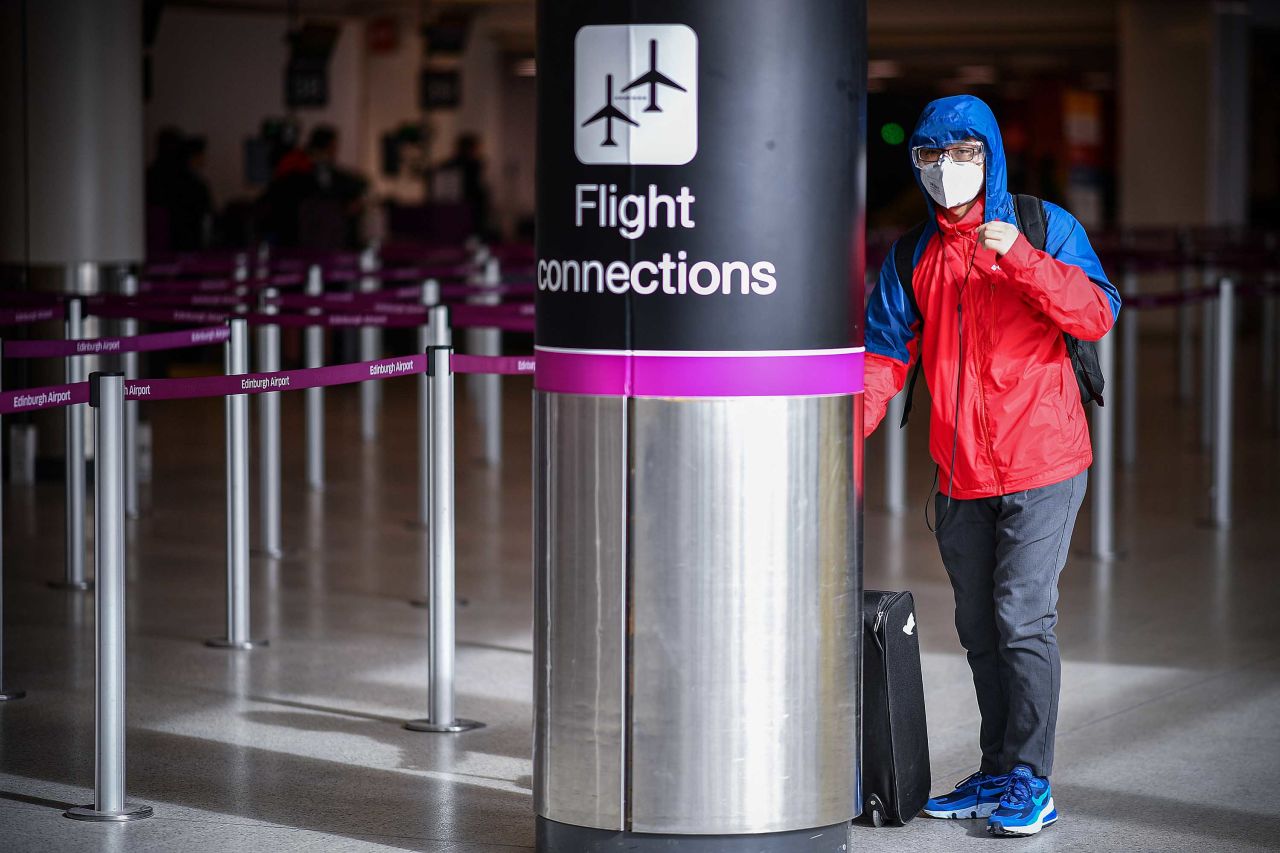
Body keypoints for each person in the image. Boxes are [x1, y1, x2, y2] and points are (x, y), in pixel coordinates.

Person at [862, 94, 1120, 837]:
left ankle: (1032, 779)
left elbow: (1097, 311)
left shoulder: (1042, 226)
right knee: (978, 626)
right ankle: (998, 767)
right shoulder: (914, 255)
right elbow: (882, 357)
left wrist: (1023, 261)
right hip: (961, 473)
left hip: (1043, 460)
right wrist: (839, 443)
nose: (948, 171)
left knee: (1021, 615)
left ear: (991, 155)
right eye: (931, 158)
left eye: (964, 154)